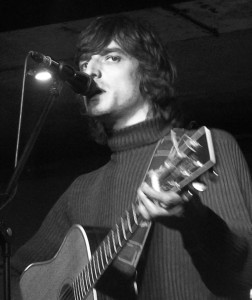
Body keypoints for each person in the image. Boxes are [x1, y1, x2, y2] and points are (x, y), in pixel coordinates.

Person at [1, 14, 252, 300]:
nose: (90, 71)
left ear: (147, 71)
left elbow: (243, 275)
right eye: (85, 63)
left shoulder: (203, 147)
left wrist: (194, 219)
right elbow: (17, 275)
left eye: (111, 58)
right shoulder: (81, 191)